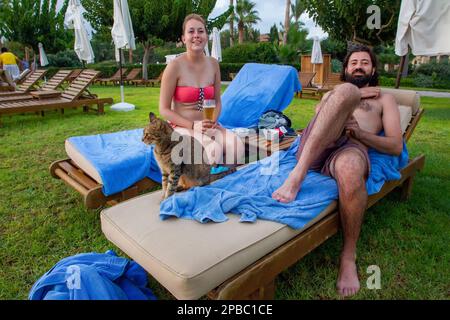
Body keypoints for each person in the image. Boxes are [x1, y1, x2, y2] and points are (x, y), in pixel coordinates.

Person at [272, 45, 403, 297]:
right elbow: (319, 119)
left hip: (352, 145)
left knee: (351, 168)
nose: (358, 66)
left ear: (373, 69)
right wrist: (356, 96)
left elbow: (396, 146)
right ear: (345, 68)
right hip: (318, 146)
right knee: (346, 91)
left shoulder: (385, 99)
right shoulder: (335, 91)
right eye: (354, 62)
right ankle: (297, 174)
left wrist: (360, 133)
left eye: (365, 62)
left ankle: (348, 255)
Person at [159, 14, 245, 167]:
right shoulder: (174, 67)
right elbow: (164, 109)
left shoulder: (213, 64)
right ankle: (209, 183)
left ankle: (223, 180)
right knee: (213, 150)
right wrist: (193, 126)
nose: (196, 35)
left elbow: (218, 101)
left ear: (206, 36)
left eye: (201, 31)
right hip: (182, 127)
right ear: (183, 38)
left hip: (209, 126)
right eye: (191, 31)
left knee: (237, 147)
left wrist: (212, 123)